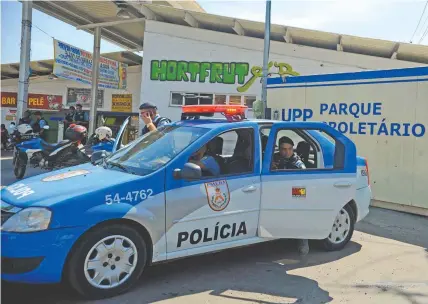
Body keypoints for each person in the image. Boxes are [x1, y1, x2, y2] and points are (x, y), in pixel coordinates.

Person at [271, 136, 309, 256]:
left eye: (289, 149)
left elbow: (303, 190)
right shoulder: (275, 159)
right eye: (283, 149)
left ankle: (303, 240)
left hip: (294, 195)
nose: (286, 152)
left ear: (293, 149)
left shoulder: (298, 165)